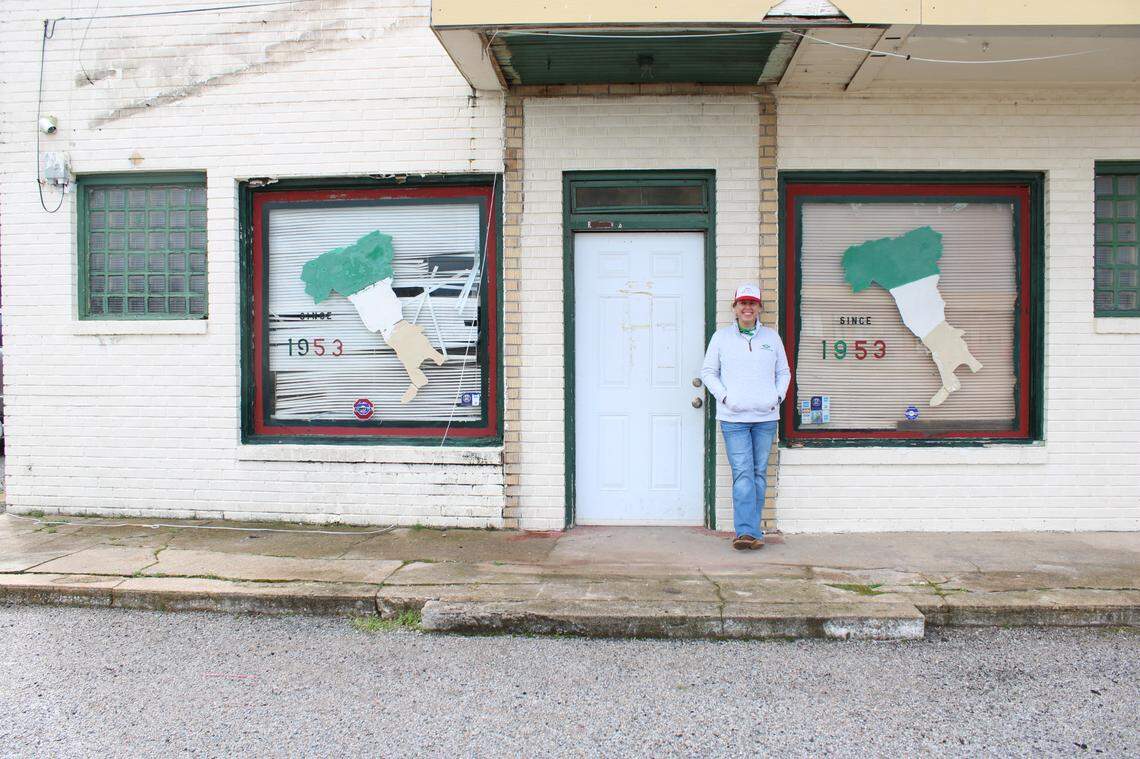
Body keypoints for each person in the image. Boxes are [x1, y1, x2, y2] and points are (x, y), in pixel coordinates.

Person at [700, 283, 790, 550]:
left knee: (758, 473)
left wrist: (777, 397)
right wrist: (726, 398)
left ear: (759, 307)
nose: (747, 308)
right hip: (734, 418)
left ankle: (752, 532)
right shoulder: (721, 337)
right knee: (743, 474)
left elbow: (783, 372)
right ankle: (747, 533)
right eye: (743, 303)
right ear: (735, 308)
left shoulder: (771, 338)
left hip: (766, 417)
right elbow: (708, 372)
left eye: (752, 303)